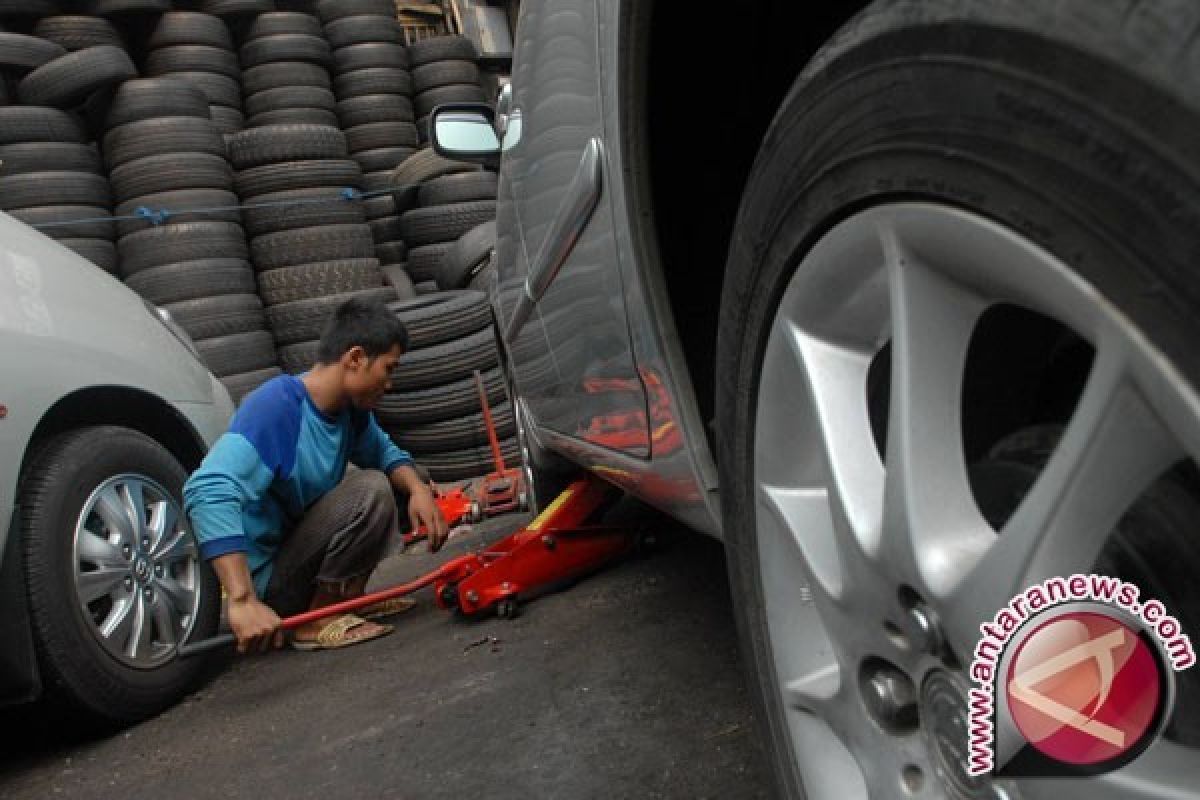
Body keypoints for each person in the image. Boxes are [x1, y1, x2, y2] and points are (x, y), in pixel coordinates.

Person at [183, 296, 448, 653]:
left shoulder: (348, 411)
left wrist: (418, 488)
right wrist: (242, 599)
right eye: (389, 368)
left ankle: (348, 598)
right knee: (370, 489)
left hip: (296, 552)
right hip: (268, 581)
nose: (390, 384)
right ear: (355, 358)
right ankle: (318, 618)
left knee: (407, 478)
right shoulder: (278, 407)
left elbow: (386, 453)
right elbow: (206, 489)